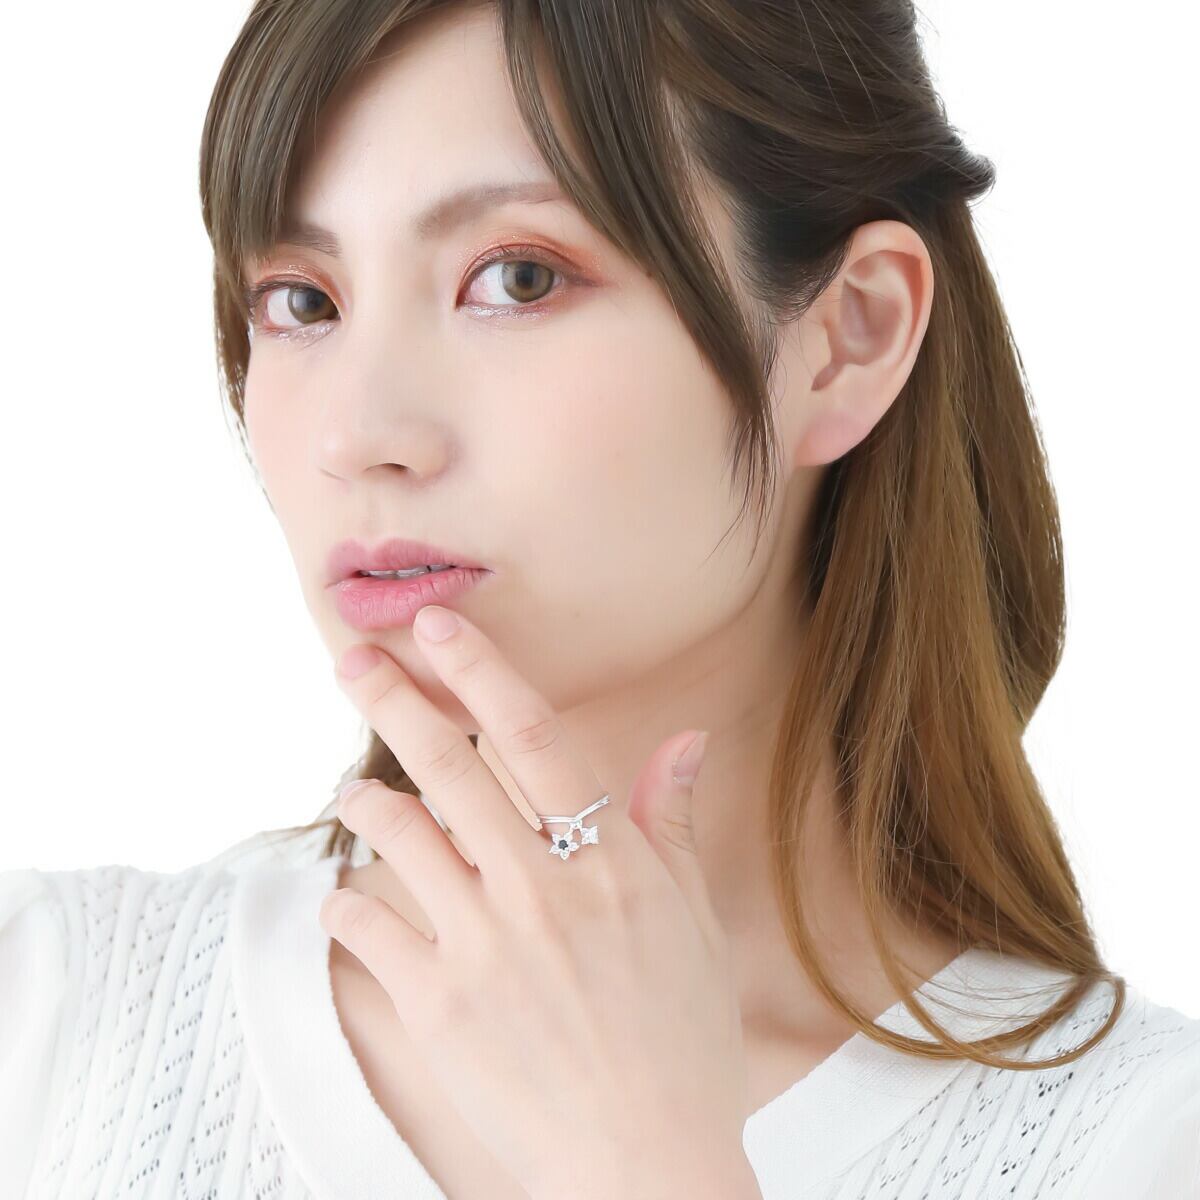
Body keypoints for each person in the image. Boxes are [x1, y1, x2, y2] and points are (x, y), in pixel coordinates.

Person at [3, 2, 1197, 1197]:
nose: (356, 434)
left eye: (516, 278)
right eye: (302, 301)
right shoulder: (46, 1009)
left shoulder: (1134, 1146)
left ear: (847, 337)